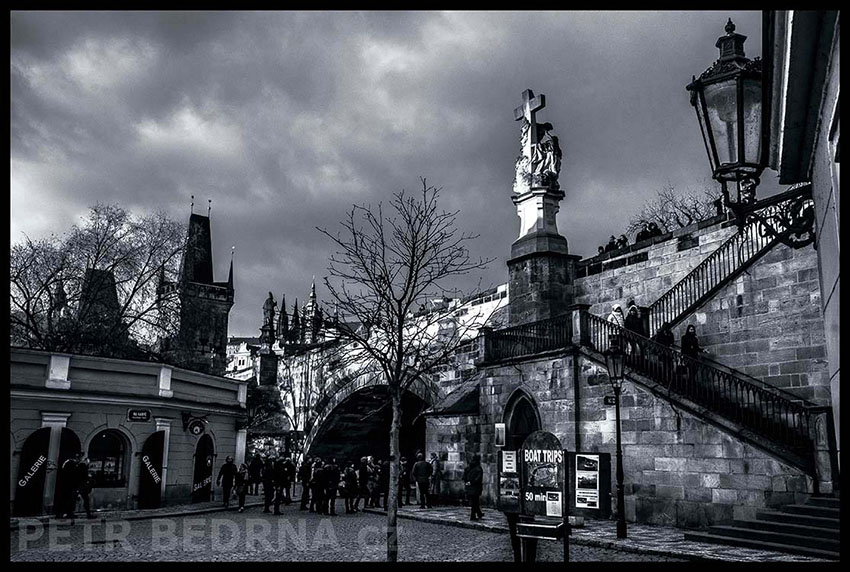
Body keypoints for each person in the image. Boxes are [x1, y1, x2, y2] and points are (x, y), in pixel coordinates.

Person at [55, 452, 80, 518]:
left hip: (65, 484)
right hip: (69, 485)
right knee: (68, 500)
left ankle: (61, 513)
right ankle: (67, 513)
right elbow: (74, 476)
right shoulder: (72, 464)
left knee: (64, 499)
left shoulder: (66, 463)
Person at [463, 454, 484, 521]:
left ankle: (479, 513)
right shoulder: (478, 468)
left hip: (469, 487)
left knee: (475, 501)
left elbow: (464, 477)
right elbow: (478, 479)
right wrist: (471, 482)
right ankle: (472, 516)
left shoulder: (468, 467)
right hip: (475, 487)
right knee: (475, 502)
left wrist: (467, 482)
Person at [74, 454, 94, 519]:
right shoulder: (83, 466)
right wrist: (89, 478)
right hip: (82, 486)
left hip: (80, 486)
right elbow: (84, 477)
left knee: (84, 499)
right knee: (86, 500)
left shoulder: (79, 466)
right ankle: (88, 514)